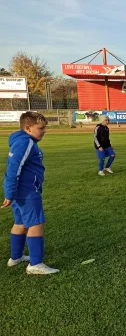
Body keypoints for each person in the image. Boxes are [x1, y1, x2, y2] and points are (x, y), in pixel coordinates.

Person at [2, 112, 59, 274]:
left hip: (21, 190)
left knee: (20, 222)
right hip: (26, 191)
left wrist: (10, 192)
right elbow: (13, 169)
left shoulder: (24, 140)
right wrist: (9, 193)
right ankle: (35, 264)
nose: (44, 131)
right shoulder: (25, 142)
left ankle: (16, 257)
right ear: (27, 128)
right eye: (40, 128)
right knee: (36, 223)